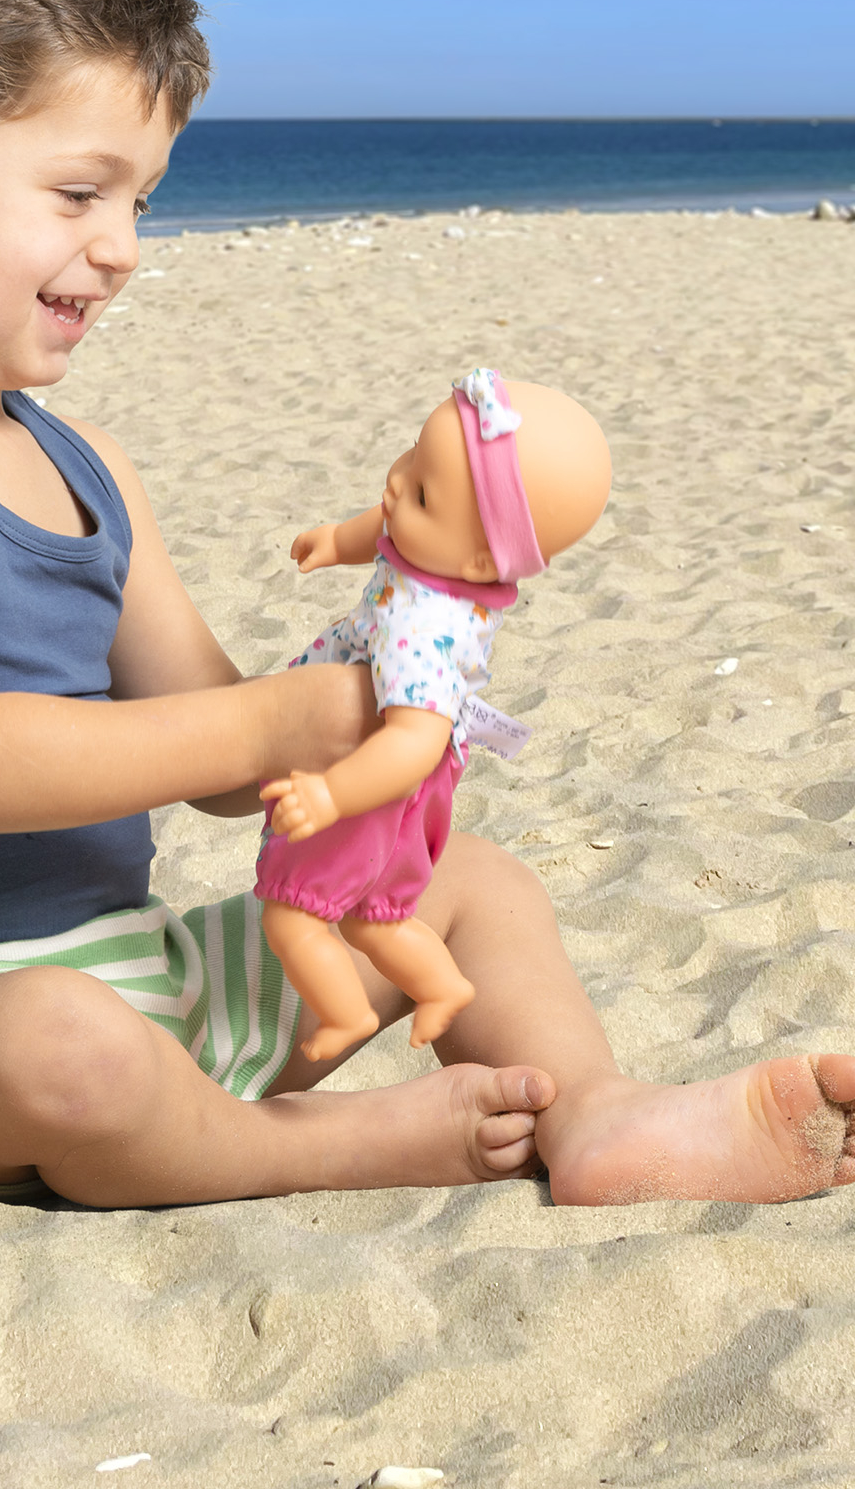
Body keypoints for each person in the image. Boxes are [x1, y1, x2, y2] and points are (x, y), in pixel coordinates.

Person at [0, 0, 855, 1209]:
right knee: (58, 1050)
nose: (124, 245)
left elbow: (209, 753)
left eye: (141, 199)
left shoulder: (85, 466)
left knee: (474, 884)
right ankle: (307, 1146)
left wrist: (365, 689)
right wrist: (272, 727)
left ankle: (603, 1118)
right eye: (79, 193)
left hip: (132, 973)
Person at [256, 369, 612, 1063]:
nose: (395, 485)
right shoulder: (444, 554)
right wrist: (338, 539)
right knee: (376, 918)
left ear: (483, 555)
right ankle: (442, 985)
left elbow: (413, 742)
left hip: (375, 775)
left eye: (420, 489)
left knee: (292, 915)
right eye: (411, 456)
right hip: (410, 782)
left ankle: (343, 1014)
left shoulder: (419, 630)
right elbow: (386, 528)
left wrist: (331, 792)